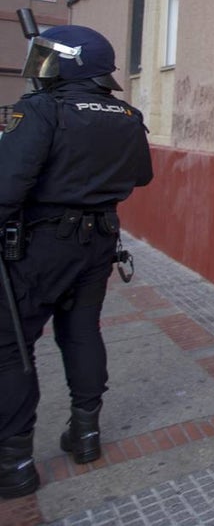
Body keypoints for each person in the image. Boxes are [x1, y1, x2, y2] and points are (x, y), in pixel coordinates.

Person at [0, 26, 153, 499]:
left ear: (73, 62)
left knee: (12, 347)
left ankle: (15, 463)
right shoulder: (128, 114)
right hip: (99, 241)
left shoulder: (41, 109)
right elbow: (141, 175)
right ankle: (86, 435)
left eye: (50, 58)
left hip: (41, 244)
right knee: (82, 331)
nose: (42, 68)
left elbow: (7, 188)